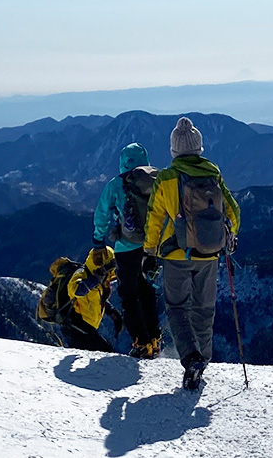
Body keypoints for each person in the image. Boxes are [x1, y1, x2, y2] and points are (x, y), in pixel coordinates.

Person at [144, 116, 240, 390]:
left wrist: (150, 252)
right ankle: (203, 361)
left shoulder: (166, 177)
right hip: (209, 254)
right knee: (204, 309)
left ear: (174, 150)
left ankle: (191, 357)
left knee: (177, 308)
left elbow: (154, 218)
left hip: (176, 255)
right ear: (199, 148)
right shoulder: (213, 175)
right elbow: (233, 211)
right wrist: (230, 237)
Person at [92, 143, 163, 359]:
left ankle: (141, 343)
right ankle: (154, 339)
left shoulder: (116, 185)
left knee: (129, 295)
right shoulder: (156, 182)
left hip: (126, 247)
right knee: (147, 291)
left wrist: (98, 240)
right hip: (151, 246)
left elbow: (103, 213)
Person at [62, 245, 121, 353]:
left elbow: (95, 299)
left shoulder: (100, 277)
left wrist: (112, 312)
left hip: (86, 327)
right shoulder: (81, 274)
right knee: (106, 353)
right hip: (76, 327)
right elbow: (77, 291)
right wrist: (96, 278)